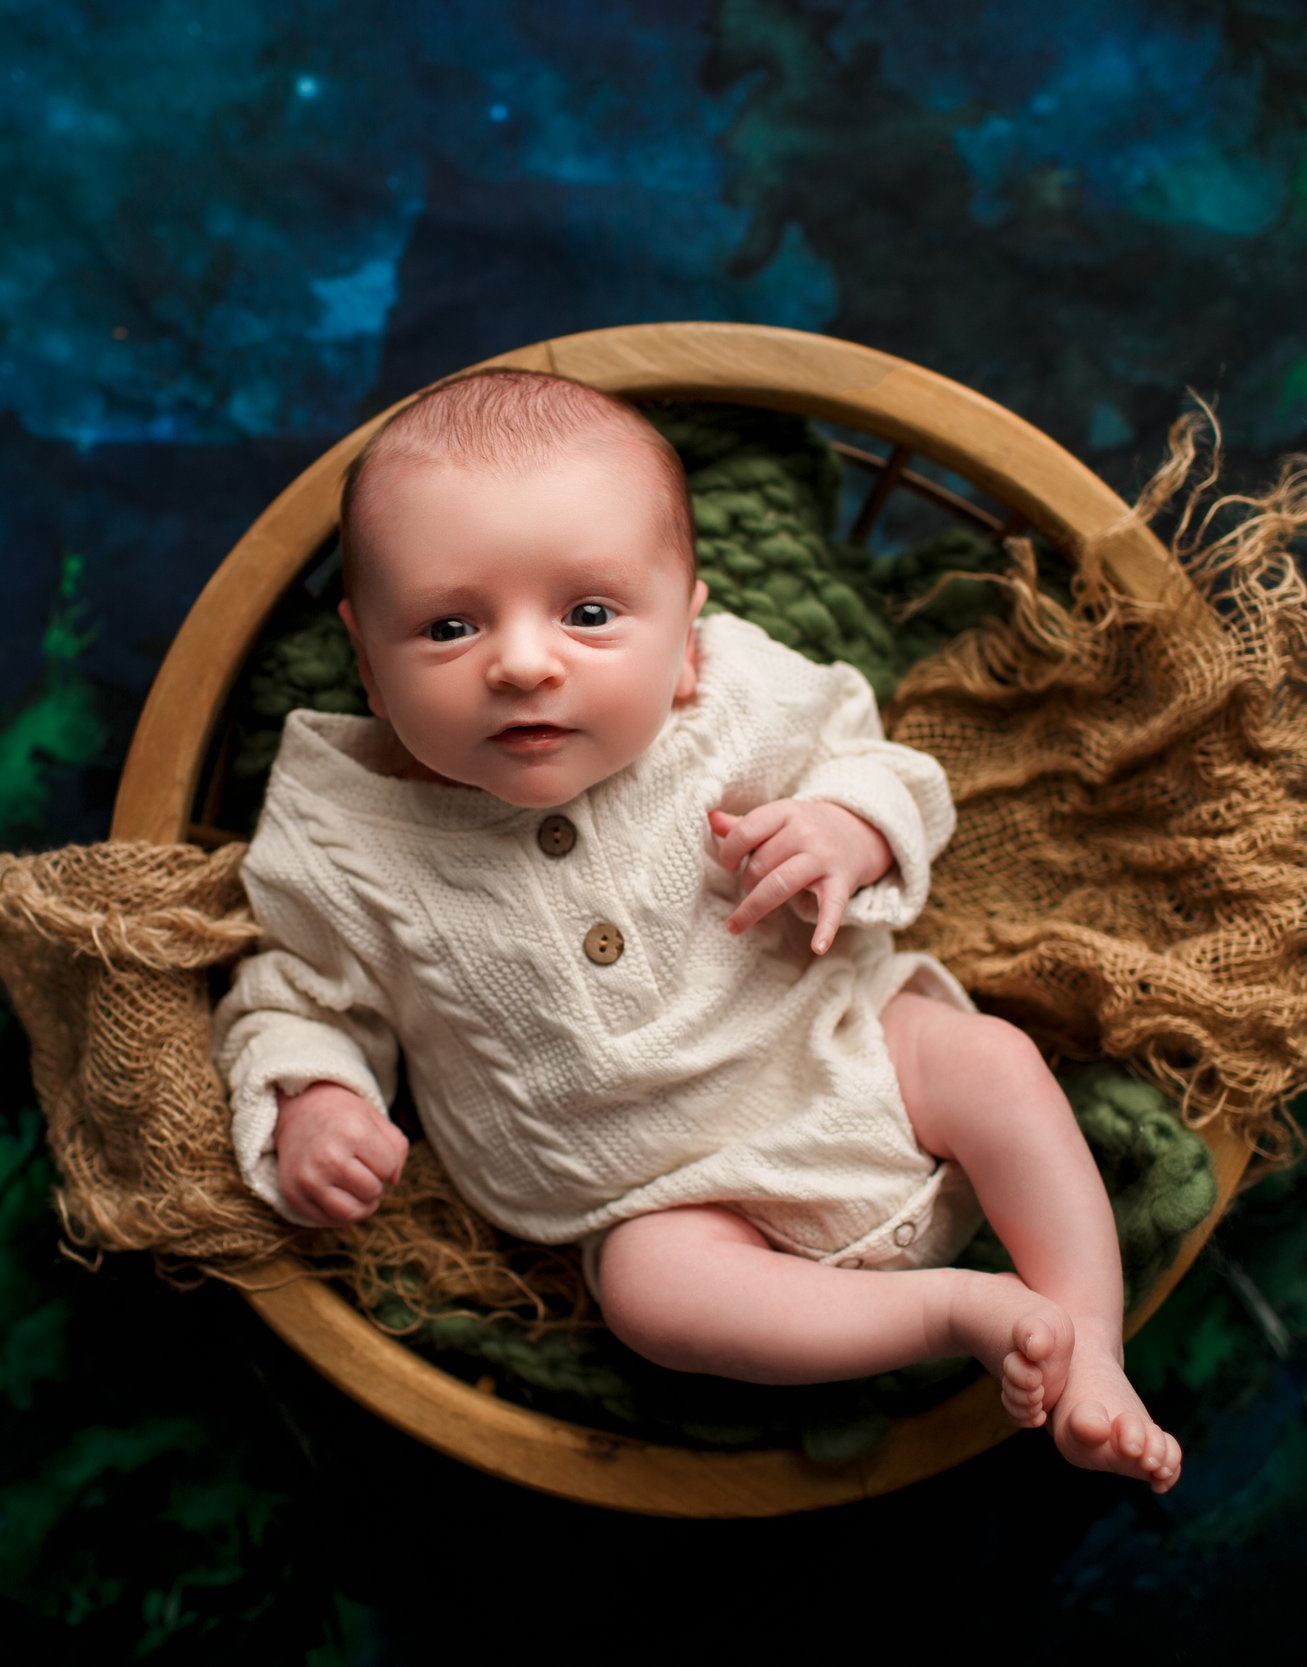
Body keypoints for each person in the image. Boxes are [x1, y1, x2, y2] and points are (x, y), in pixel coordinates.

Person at [210, 367, 1180, 1489]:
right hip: (656, 1193)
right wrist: (317, 1098)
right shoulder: (343, 831)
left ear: (685, 632)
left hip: (849, 1052)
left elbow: (887, 770)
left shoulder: (741, 699)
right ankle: (952, 1312)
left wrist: (846, 825)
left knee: (997, 1063)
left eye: (588, 613)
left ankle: (1091, 1346)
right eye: (446, 624)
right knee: (649, 1297)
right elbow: (294, 991)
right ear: (366, 661)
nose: (523, 661)